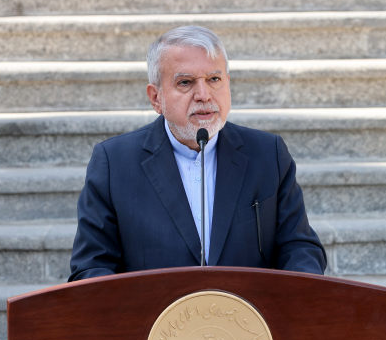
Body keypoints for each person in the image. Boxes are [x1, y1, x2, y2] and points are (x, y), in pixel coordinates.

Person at [69, 26, 326, 281]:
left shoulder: (268, 153)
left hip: (247, 308)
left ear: (228, 84)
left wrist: (298, 293)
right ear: (156, 98)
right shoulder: (114, 163)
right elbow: (91, 267)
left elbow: (299, 247)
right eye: (185, 82)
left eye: (214, 79)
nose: (203, 95)